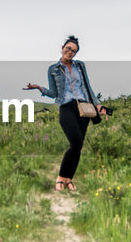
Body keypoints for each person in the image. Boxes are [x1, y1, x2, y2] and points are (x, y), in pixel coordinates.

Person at [24, 34, 107, 191]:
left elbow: (88, 87)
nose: (70, 52)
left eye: (73, 51)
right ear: (62, 48)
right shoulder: (53, 69)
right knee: (75, 142)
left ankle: (69, 179)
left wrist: (98, 105)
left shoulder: (80, 66)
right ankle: (61, 176)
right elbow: (54, 93)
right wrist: (39, 88)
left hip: (84, 107)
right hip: (66, 106)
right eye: (68, 49)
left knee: (79, 146)